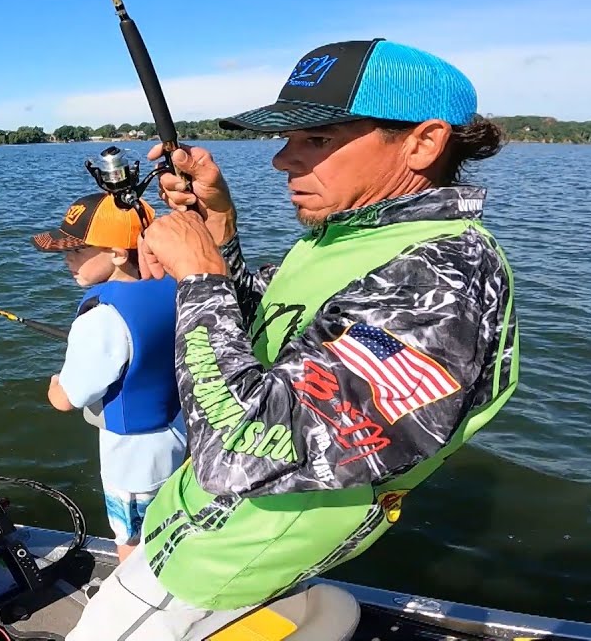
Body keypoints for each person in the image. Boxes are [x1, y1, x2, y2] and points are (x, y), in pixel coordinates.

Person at [65, 38, 519, 639]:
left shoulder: (444, 278)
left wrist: (200, 277)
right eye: (288, 138)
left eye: (317, 139)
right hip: (204, 522)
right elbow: (275, 336)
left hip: (228, 555)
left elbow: (249, 450)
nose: (283, 160)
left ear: (423, 142)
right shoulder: (346, 236)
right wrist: (220, 231)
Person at [31, 190, 188, 563]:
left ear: (118, 253)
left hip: (133, 456)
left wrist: (55, 384)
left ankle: (137, 602)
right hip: (180, 431)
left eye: (78, 251)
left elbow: (68, 398)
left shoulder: (100, 318)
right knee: (175, 522)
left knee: (132, 539)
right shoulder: (178, 283)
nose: (67, 260)